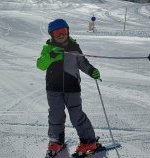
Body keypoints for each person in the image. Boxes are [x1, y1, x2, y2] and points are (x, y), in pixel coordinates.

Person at [36, 19, 101, 157]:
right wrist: (51, 57)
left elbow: (83, 63)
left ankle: (89, 141)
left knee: (77, 115)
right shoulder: (48, 48)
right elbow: (40, 65)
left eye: (63, 31)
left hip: (72, 88)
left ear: (68, 31)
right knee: (55, 115)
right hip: (53, 89)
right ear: (52, 35)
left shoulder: (74, 47)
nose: (61, 35)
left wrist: (92, 71)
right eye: (57, 32)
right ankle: (56, 141)